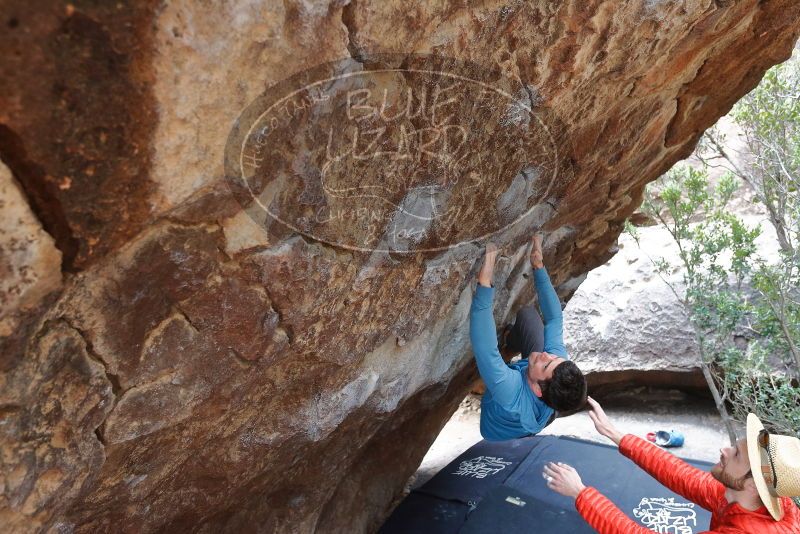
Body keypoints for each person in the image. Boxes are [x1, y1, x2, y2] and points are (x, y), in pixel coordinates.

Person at [544, 397, 800, 533]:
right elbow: (681, 475)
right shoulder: (755, 499)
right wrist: (617, 435)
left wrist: (580, 493)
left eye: (735, 456)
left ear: (753, 486)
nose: (724, 450)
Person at [469, 234, 587, 441]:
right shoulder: (555, 365)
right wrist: (538, 266)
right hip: (545, 404)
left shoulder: (510, 393)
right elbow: (554, 319)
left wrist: (485, 278)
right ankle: (510, 341)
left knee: (494, 369)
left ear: (536, 388)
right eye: (553, 358)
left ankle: (502, 369)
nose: (545, 355)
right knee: (529, 317)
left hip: (498, 430)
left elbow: (486, 350)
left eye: (545, 365)